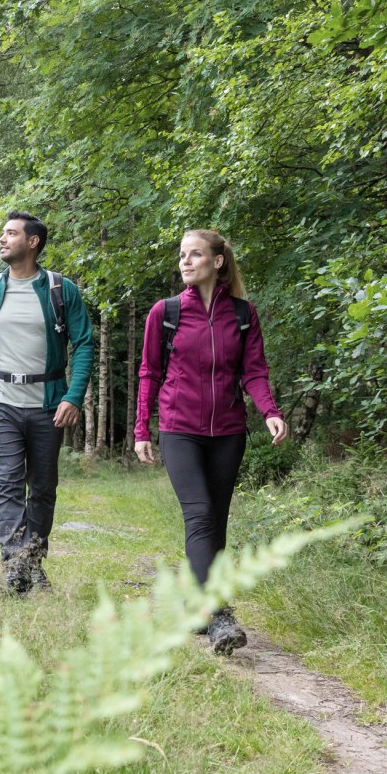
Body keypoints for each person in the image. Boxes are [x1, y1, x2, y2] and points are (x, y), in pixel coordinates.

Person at [134, 229, 288, 655]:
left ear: (217, 262)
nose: (185, 261)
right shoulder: (164, 313)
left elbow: (254, 371)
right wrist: (142, 429)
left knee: (216, 522)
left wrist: (270, 411)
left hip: (228, 433)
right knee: (199, 515)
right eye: (182, 255)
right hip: (180, 430)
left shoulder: (242, 314)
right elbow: (150, 373)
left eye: (194, 254)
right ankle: (219, 614)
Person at [0, 211, 94, 594]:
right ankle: (15, 566)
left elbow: (84, 344)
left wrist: (73, 395)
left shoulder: (59, 289)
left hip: (48, 406)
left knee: (44, 487)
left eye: (11, 233)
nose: (2, 239)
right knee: (8, 485)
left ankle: (32, 561)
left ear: (33, 242)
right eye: (2, 233)